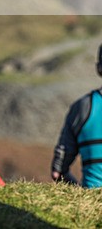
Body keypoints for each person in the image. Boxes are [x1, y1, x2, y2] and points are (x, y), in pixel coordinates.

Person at [51, 44, 102, 188]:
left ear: (98, 68)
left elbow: (58, 172)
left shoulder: (83, 106)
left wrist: (82, 196)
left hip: (93, 202)